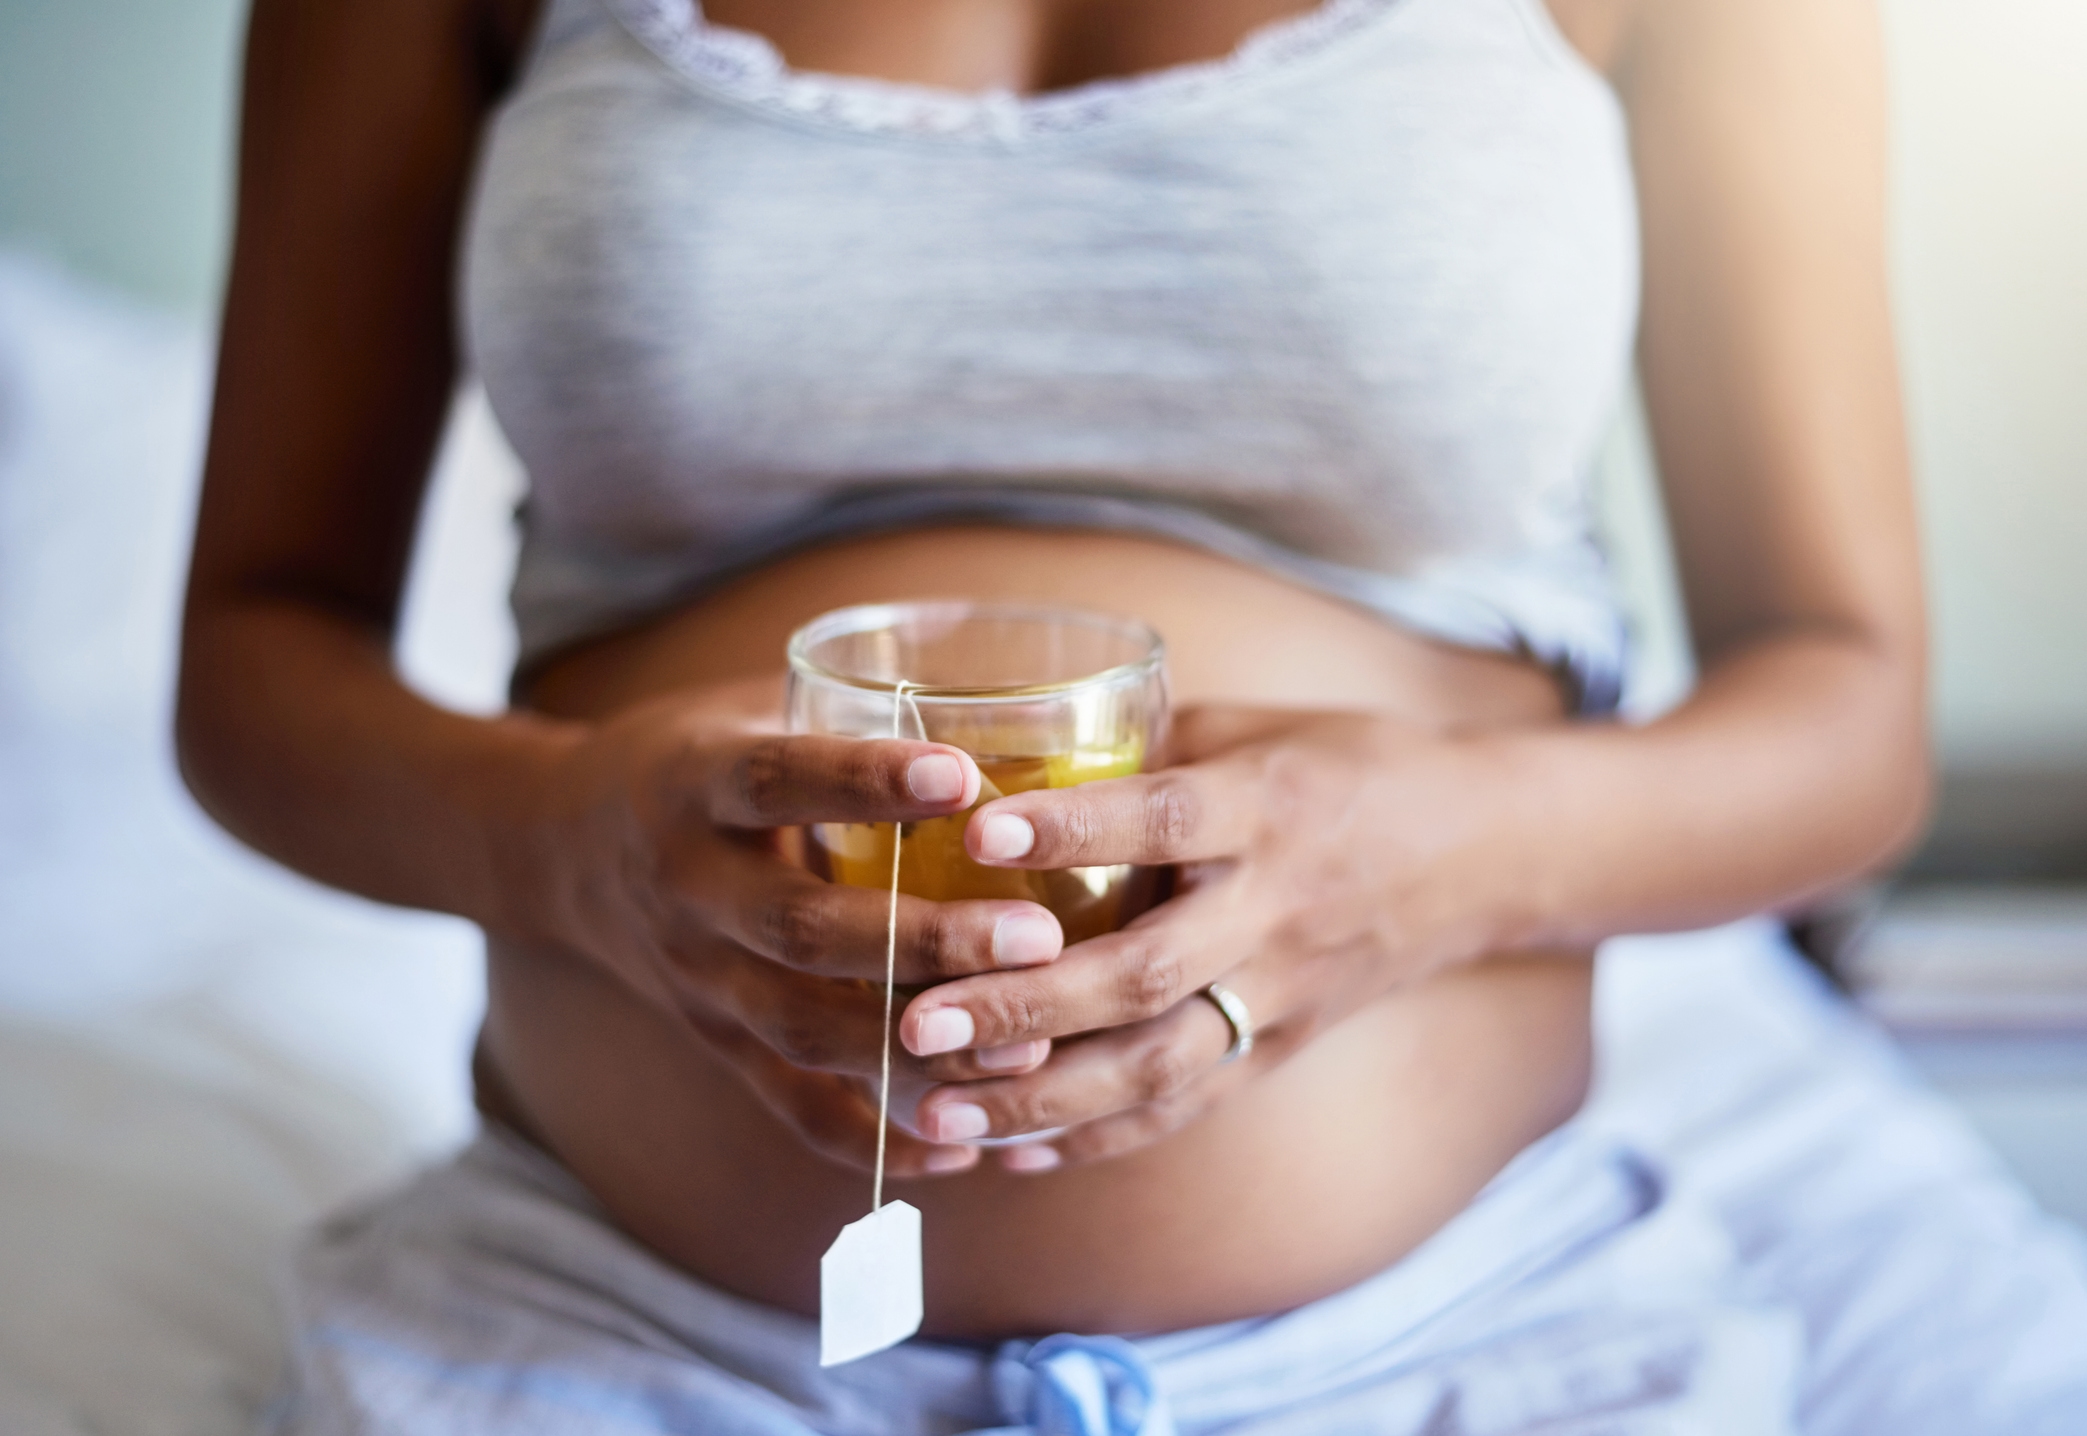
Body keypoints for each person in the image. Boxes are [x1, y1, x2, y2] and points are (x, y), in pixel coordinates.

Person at [177, 0, 2087, 1431]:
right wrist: (570, 849)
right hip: (610, 1332)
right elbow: (258, 655)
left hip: (1463, 1332)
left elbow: (1844, 711)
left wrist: (1428, 857)